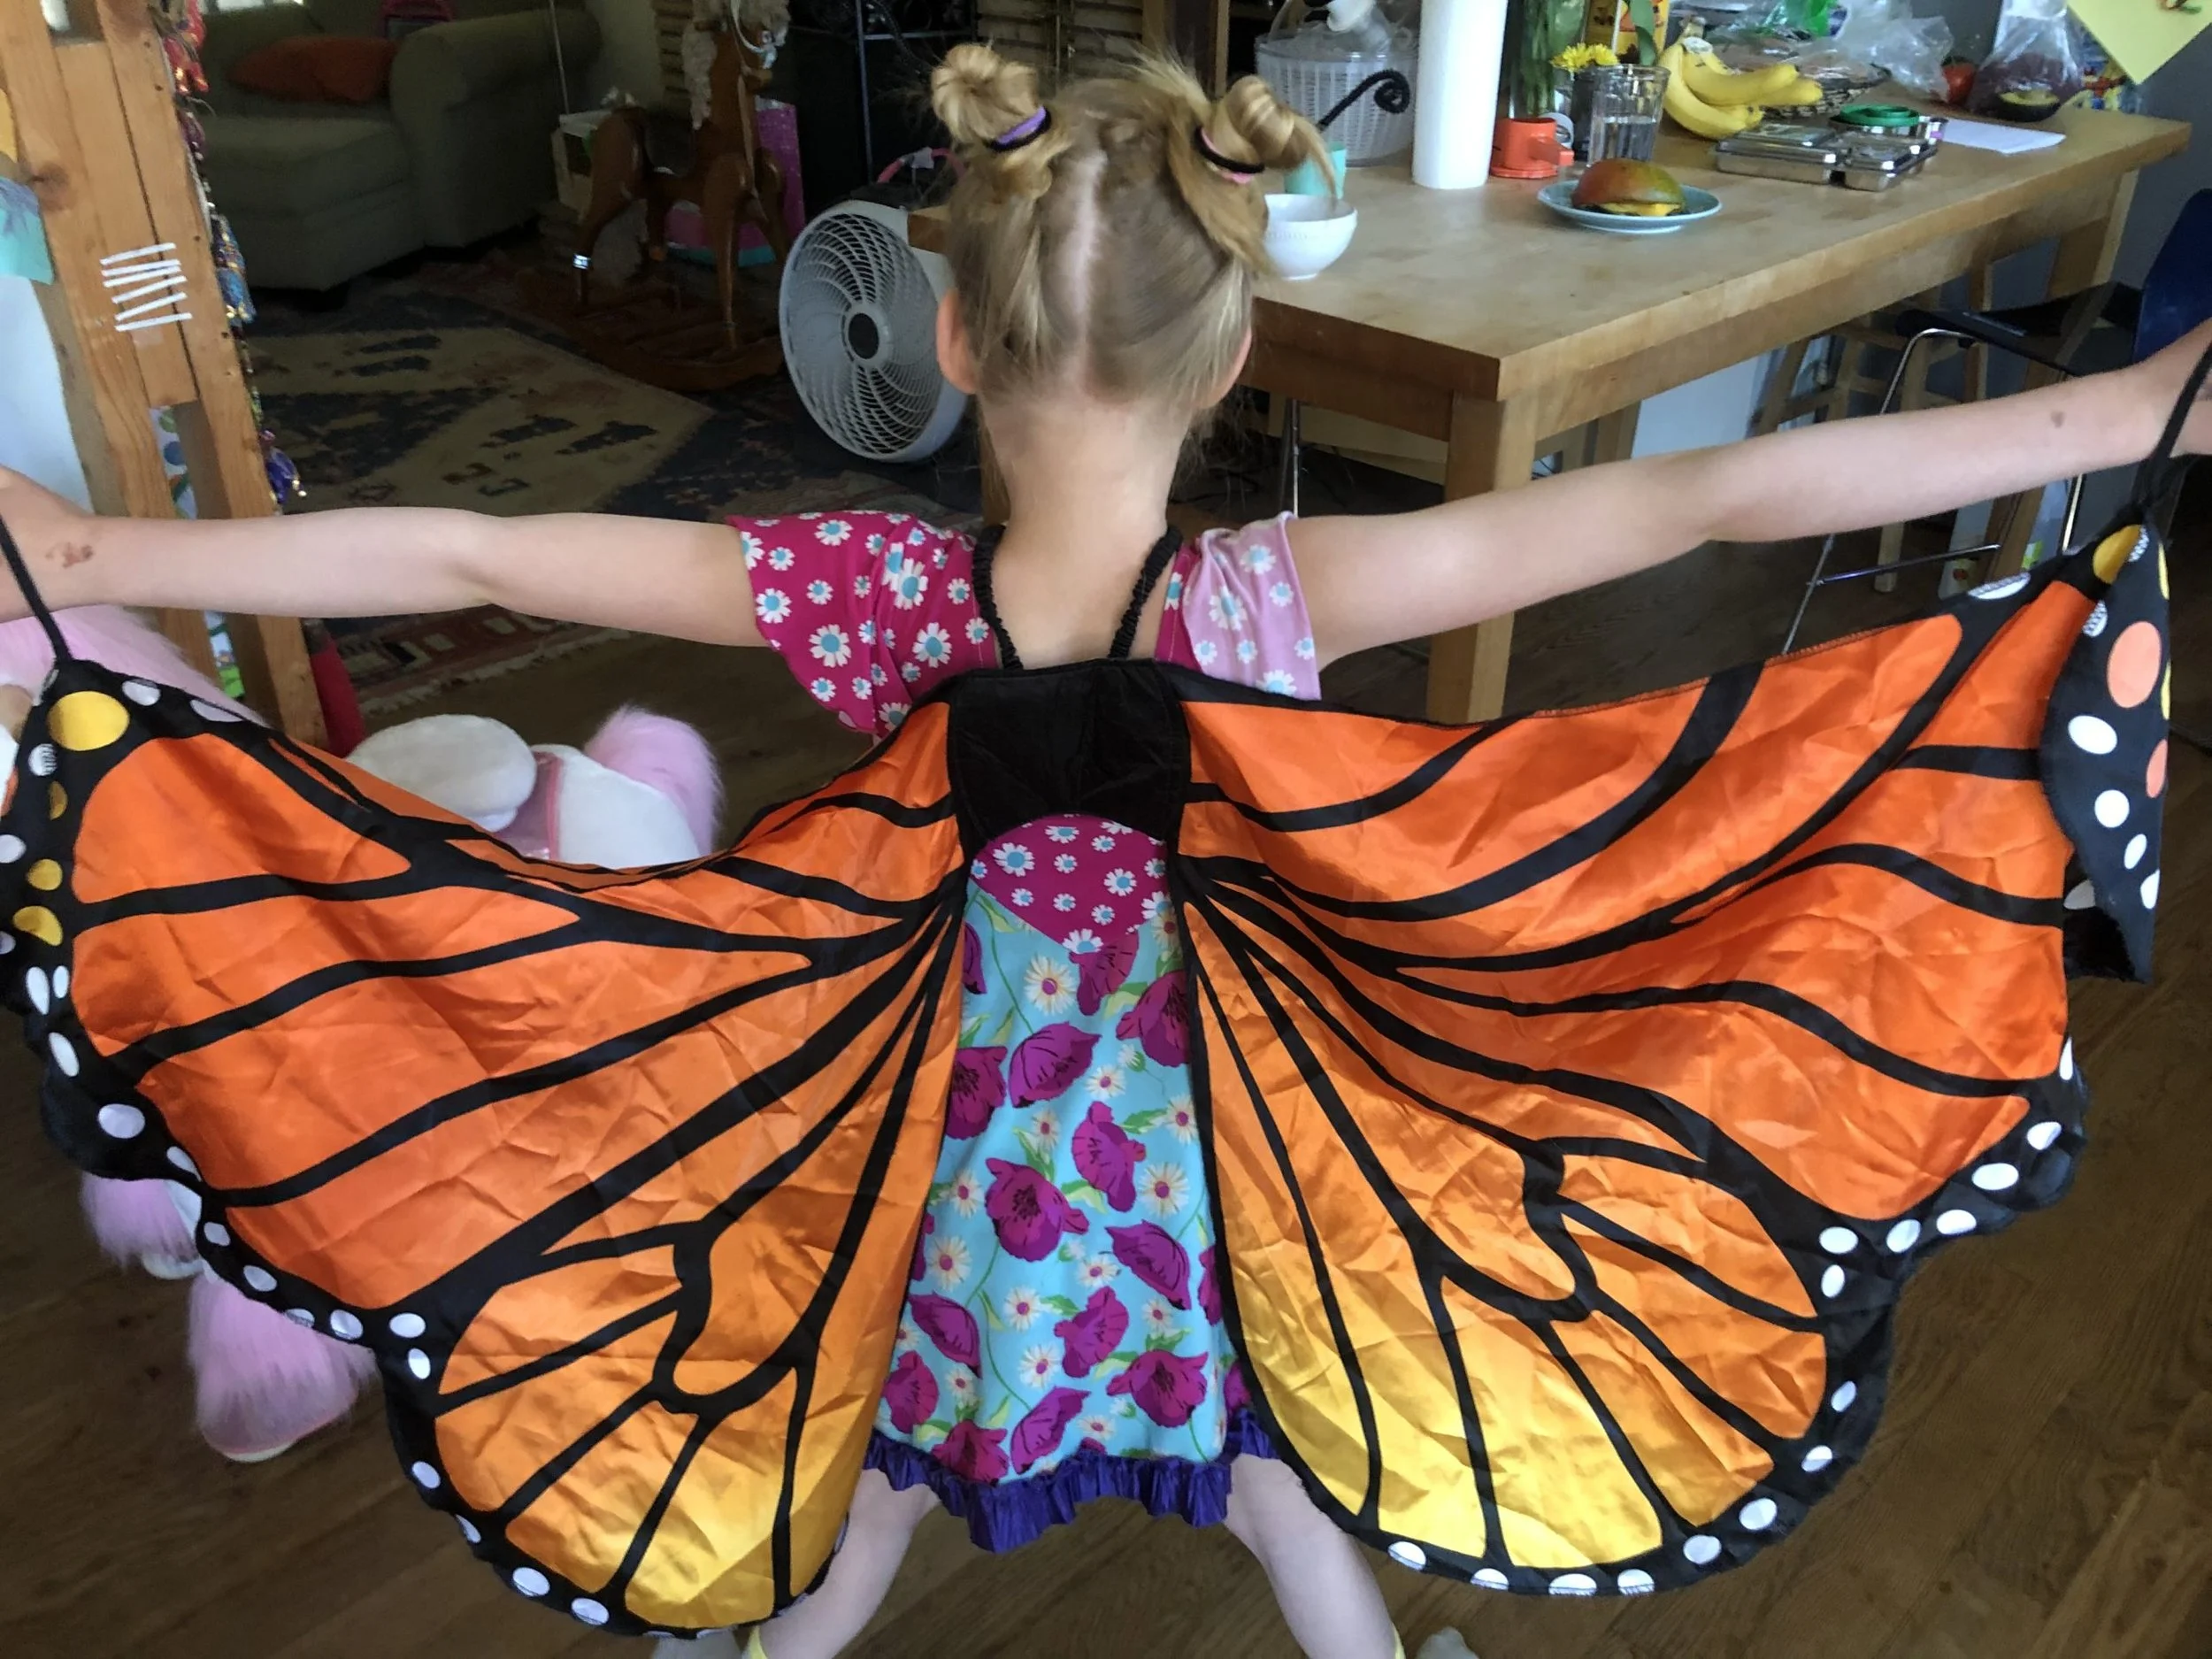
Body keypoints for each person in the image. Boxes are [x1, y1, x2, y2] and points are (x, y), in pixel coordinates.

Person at [0, 40, 2204, 1659]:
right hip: (1221, 1153)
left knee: (866, 1473)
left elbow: (480, 542)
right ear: (1232, 351)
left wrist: (97, 551)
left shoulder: (872, 591)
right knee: (1269, 1470)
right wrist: (2119, 412)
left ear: (947, 337)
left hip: (928, 1152)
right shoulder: (1265, 594)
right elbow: (1695, 499)